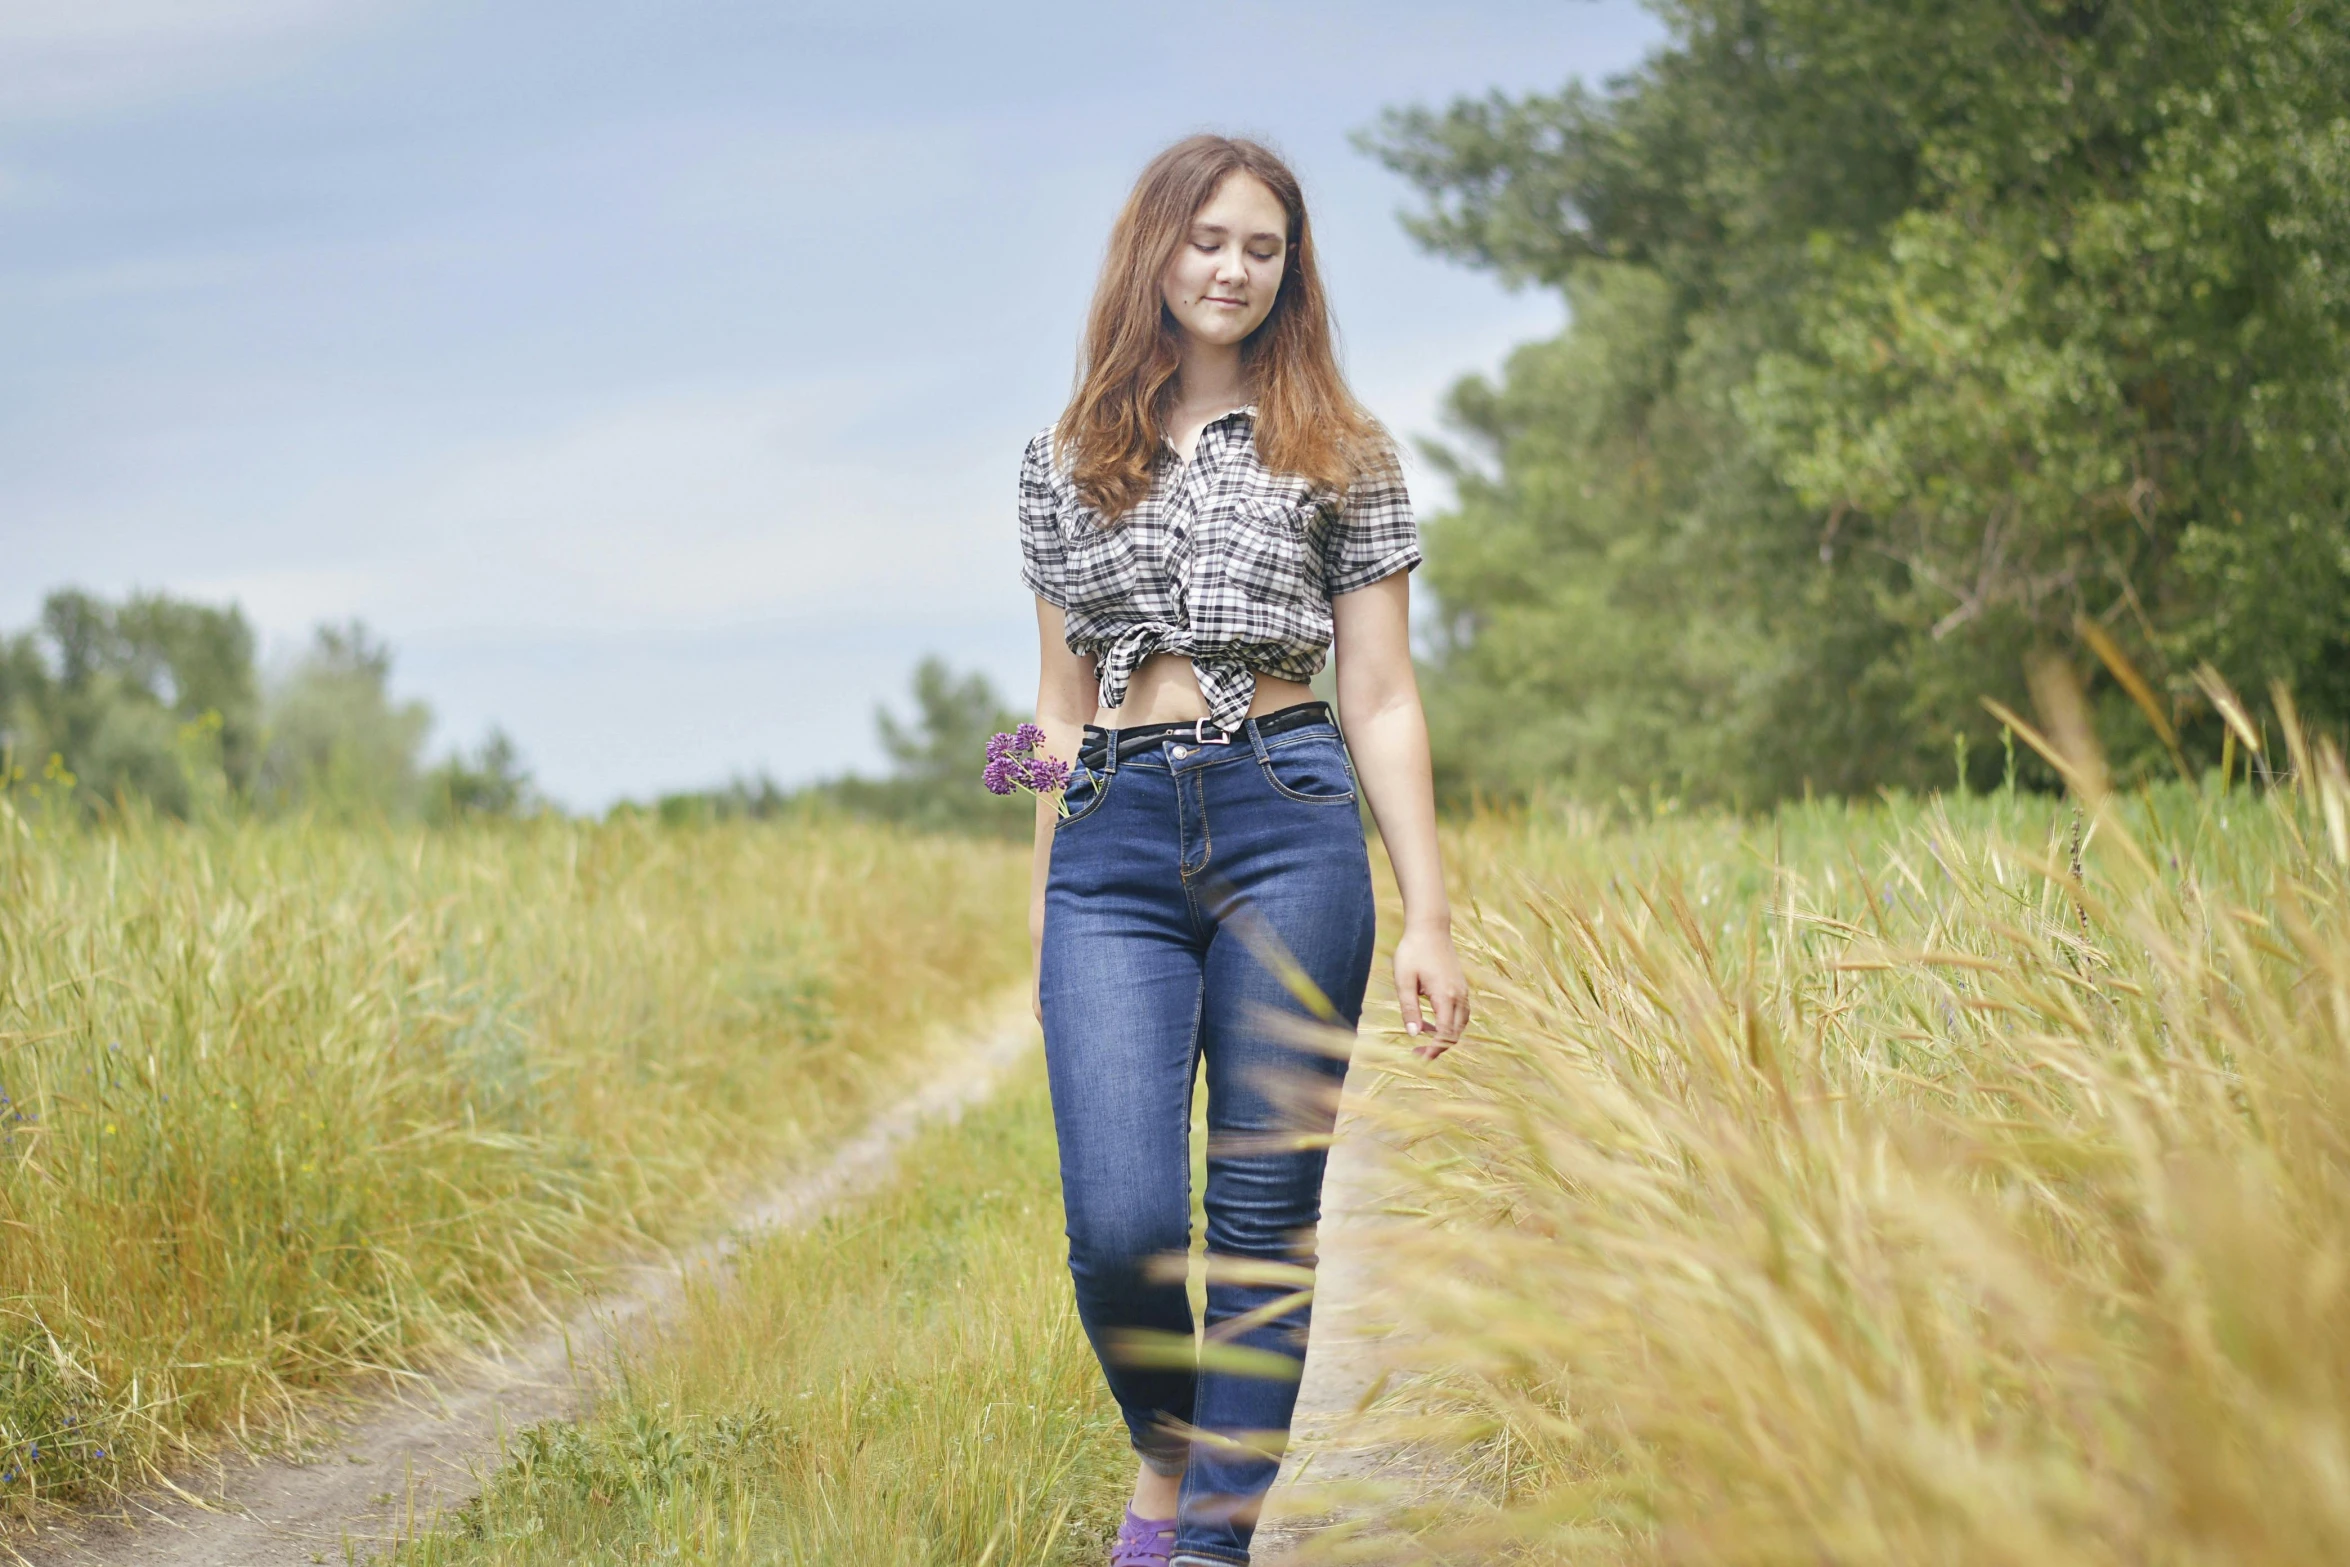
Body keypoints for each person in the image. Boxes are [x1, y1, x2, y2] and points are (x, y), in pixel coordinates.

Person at [1020, 133, 1471, 1567]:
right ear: (1154, 250)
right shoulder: (1055, 462)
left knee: (1261, 1225)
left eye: (1261, 246)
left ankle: (1208, 1543)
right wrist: (1043, 899)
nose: (1231, 267)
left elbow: (1384, 697)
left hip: (1290, 820)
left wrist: (1428, 916)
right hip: (1112, 836)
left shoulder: (1344, 451)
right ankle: (1171, 1449)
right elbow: (1045, 709)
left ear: (1291, 271)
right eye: (1207, 238)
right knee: (1120, 1225)